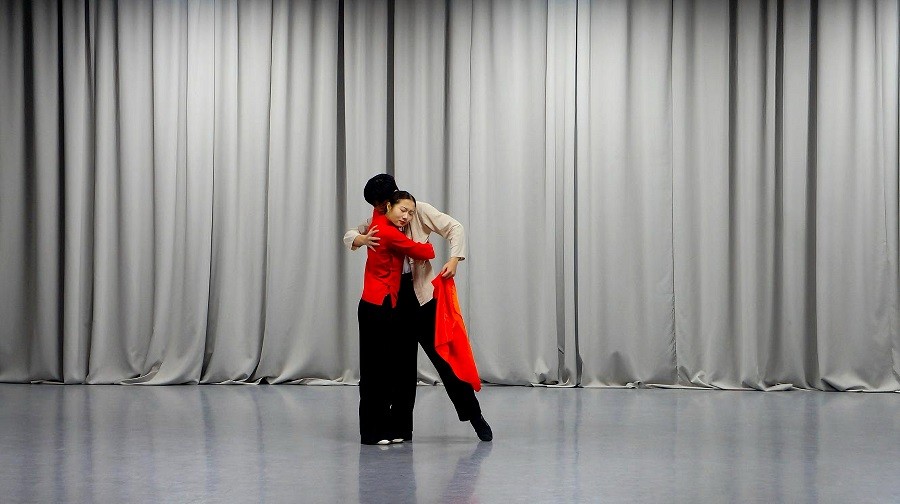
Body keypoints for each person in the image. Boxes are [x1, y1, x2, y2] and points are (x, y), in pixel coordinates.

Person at [344, 174, 493, 442]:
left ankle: (475, 416)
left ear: (391, 199)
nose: (380, 209)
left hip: (422, 295)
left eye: (381, 204)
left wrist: (455, 259)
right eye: (378, 207)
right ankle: (400, 428)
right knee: (401, 365)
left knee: (446, 358)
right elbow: (351, 234)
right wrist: (360, 239)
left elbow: (454, 227)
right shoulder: (380, 218)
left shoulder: (416, 210)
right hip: (393, 300)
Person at [358, 190, 436, 445]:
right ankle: (372, 433)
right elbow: (422, 252)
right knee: (375, 371)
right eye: (403, 210)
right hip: (375, 306)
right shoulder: (386, 231)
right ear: (387, 205)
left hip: (387, 304)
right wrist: (429, 245)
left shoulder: (379, 219)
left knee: (388, 368)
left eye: (411, 213)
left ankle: (388, 428)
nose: (407, 217)